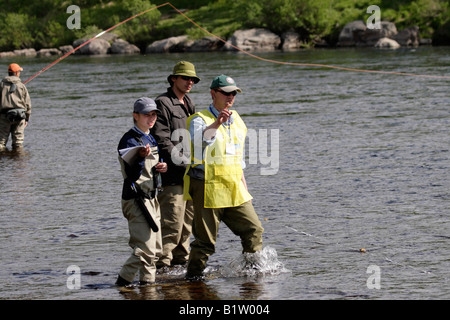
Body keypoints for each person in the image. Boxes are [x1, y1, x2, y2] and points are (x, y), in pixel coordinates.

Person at [183, 75, 264, 280]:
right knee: (205, 243)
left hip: (233, 185)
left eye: (233, 93)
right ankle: (192, 281)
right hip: (206, 187)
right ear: (213, 93)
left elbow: (237, 156)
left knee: (253, 229)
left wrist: (244, 187)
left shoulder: (236, 118)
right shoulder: (200, 120)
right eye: (226, 93)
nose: (230, 97)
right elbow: (200, 143)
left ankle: (253, 276)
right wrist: (217, 123)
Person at [150, 61, 199, 270]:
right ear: (173, 79)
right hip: (171, 176)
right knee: (171, 225)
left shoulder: (188, 101)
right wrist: (182, 161)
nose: (190, 82)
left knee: (187, 225)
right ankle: (161, 269)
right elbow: (162, 140)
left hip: (190, 175)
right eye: (186, 78)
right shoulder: (162, 103)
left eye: (193, 80)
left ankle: (181, 264)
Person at [116, 97, 168, 286]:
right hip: (136, 200)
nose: (151, 118)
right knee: (144, 251)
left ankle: (148, 288)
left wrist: (162, 166)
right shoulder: (129, 140)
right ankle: (121, 285)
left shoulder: (149, 136)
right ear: (135, 116)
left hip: (152, 198)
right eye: (147, 114)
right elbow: (131, 174)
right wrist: (139, 157)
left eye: (154, 114)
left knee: (154, 250)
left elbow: (152, 167)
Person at [0, 63, 31, 151]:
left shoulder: (1, 85)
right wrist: (27, 118)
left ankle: (3, 162)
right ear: (17, 73)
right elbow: (28, 104)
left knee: (1, 142)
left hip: (4, 116)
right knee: (18, 143)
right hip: (20, 116)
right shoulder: (22, 86)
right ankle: (17, 162)